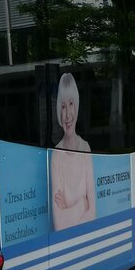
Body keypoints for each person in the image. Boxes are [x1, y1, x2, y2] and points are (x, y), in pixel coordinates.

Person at [50, 73, 96, 230]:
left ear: (77, 106)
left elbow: (93, 213)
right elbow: (59, 225)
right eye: (63, 106)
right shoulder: (56, 155)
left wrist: (68, 211)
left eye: (71, 104)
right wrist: (82, 204)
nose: (68, 114)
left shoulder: (85, 148)